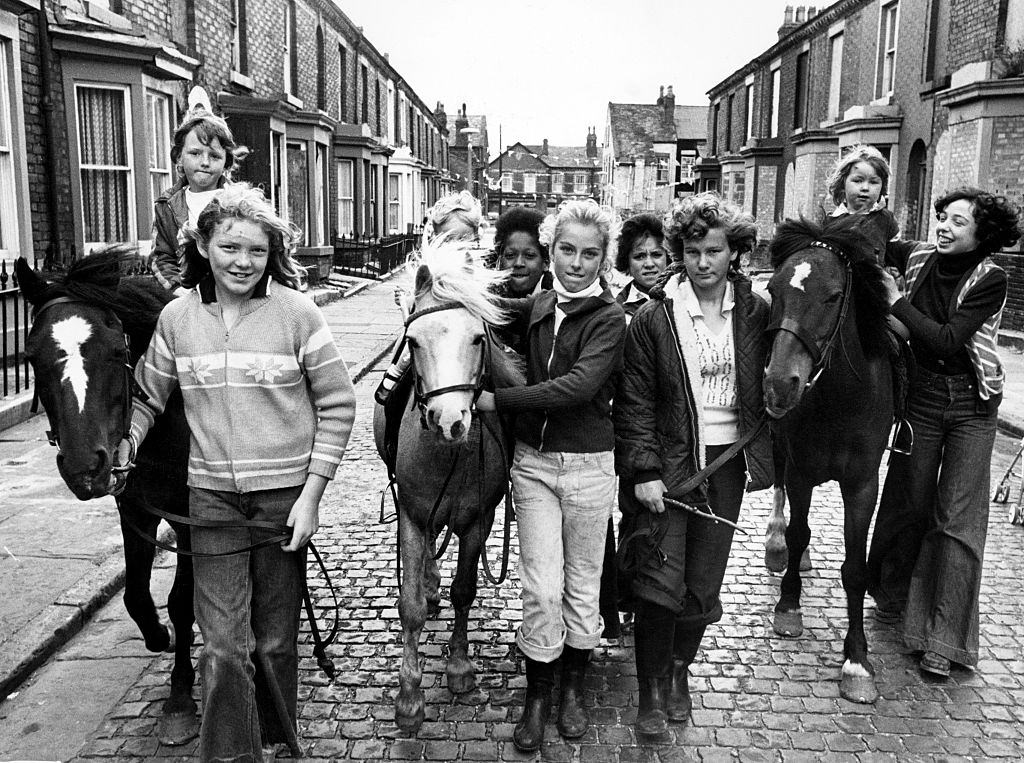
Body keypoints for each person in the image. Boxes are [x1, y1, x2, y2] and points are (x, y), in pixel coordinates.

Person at [119, 184, 357, 760]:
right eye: (229, 247)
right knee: (223, 647)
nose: (243, 262)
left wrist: (312, 497)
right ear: (203, 244)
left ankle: (278, 742)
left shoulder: (297, 313)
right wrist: (126, 445)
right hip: (212, 503)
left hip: (282, 503)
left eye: (255, 249)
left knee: (274, 642)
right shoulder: (177, 318)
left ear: (270, 250)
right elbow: (149, 397)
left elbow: (339, 403)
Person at [614, 193, 773, 741]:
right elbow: (634, 403)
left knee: (703, 584)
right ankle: (652, 688)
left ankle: (681, 669)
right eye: (692, 250)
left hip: (726, 465)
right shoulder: (654, 318)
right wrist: (643, 471)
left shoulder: (756, 312)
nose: (702, 263)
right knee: (659, 581)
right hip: (670, 466)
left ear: (735, 252)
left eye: (714, 250)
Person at [475, 199, 626, 752]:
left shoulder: (610, 318)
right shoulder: (537, 304)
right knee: (541, 585)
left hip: (589, 466)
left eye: (590, 254)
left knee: (582, 584)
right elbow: (482, 307)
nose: (577, 263)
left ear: (604, 259)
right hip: (533, 468)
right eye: (566, 250)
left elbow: (579, 387)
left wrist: (500, 400)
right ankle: (538, 693)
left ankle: (573, 688)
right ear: (550, 251)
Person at [868, 188, 1020, 678]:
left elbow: (947, 338)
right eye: (942, 217)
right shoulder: (917, 257)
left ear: (982, 234)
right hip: (923, 399)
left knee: (956, 519)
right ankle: (891, 594)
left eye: (958, 221)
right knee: (908, 502)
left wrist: (896, 302)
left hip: (972, 406)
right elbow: (874, 236)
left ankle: (943, 639)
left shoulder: (990, 278)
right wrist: (863, 199)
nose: (944, 227)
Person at [376, 191, 484, 407]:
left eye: (463, 239)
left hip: (469, 333)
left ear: (475, 238)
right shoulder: (431, 270)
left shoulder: (479, 268)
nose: (455, 245)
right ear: (436, 238)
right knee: (413, 347)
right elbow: (418, 303)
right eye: (448, 239)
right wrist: (406, 302)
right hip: (433, 331)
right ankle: (395, 376)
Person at [150, 106, 243, 297]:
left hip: (235, 295)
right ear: (179, 157)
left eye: (215, 156)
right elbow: (163, 256)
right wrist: (178, 289)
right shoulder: (166, 205)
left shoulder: (241, 202)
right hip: (187, 296)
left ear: (226, 162)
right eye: (195, 153)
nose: (205, 162)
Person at [822, 144, 899, 265]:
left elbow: (895, 256)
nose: (865, 188)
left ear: (882, 187)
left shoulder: (886, 219)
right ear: (843, 183)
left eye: (873, 182)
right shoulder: (830, 222)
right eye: (858, 181)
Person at [614, 213, 669, 322]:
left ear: (668, 257)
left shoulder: (686, 297)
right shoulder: (617, 311)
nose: (649, 264)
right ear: (626, 261)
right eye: (639, 256)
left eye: (656, 254)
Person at [492, 206, 551, 298]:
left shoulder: (558, 305)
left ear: (546, 263)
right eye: (510, 255)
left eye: (529, 255)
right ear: (499, 260)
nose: (518, 263)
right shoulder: (487, 302)